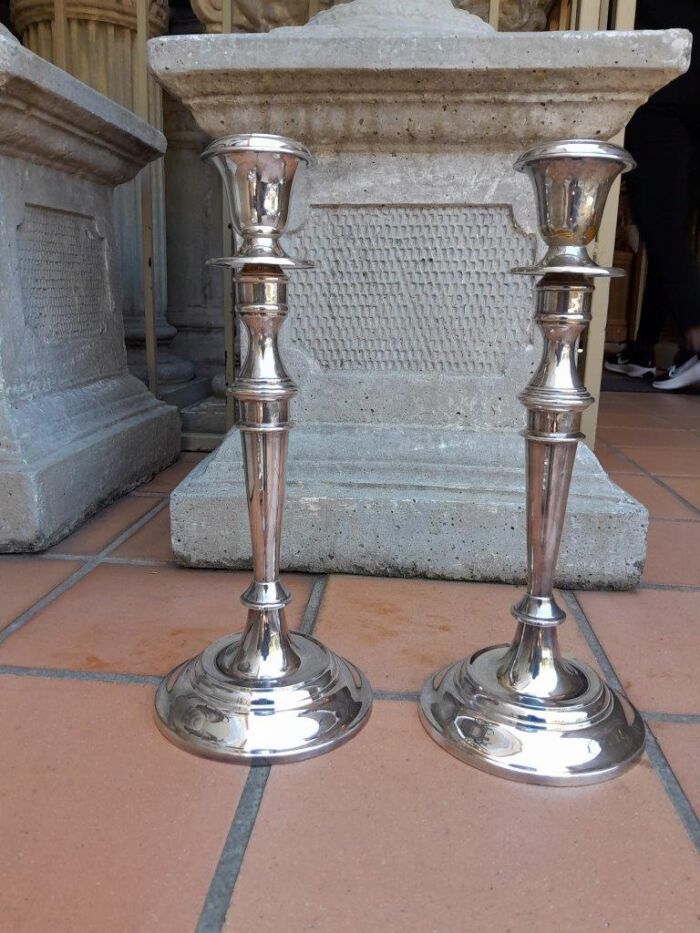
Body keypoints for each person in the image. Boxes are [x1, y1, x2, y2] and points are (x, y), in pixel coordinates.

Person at [605, 0, 700, 391]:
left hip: (661, 83)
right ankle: (644, 348)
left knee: (658, 215)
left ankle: (696, 334)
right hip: (688, 85)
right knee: (672, 222)